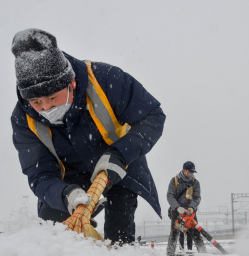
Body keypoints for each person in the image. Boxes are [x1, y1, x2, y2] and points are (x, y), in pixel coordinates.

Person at [10, 29, 165, 243]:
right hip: (68, 180)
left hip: (119, 164)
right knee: (54, 236)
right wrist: (66, 195)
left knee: (119, 231)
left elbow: (153, 116)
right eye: (36, 102)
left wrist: (120, 154)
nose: (45, 108)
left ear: (71, 83)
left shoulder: (105, 80)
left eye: (52, 97)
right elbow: (40, 174)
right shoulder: (23, 120)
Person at [166, 162, 206, 256]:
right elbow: (170, 196)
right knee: (174, 233)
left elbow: (197, 198)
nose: (192, 174)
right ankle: (170, 254)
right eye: (190, 171)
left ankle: (204, 254)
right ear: (184, 170)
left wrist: (192, 208)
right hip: (177, 212)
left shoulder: (195, 183)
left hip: (189, 213)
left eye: (193, 172)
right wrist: (177, 207)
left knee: (196, 233)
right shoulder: (174, 181)